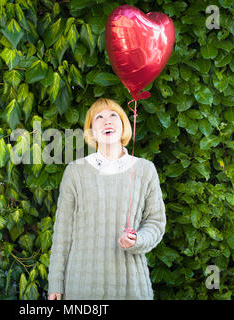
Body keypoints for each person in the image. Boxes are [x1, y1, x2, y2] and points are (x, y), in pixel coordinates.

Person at [47, 98, 166, 300]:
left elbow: (155, 222)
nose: (107, 121)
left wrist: (137, 240)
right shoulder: (75, 172)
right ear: (92, 131)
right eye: (99, 117)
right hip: (82, 287)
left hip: (131, 286)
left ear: (124, 125)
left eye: (113, 115)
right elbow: (62, 233)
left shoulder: (145, 170)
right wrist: (55, 284)